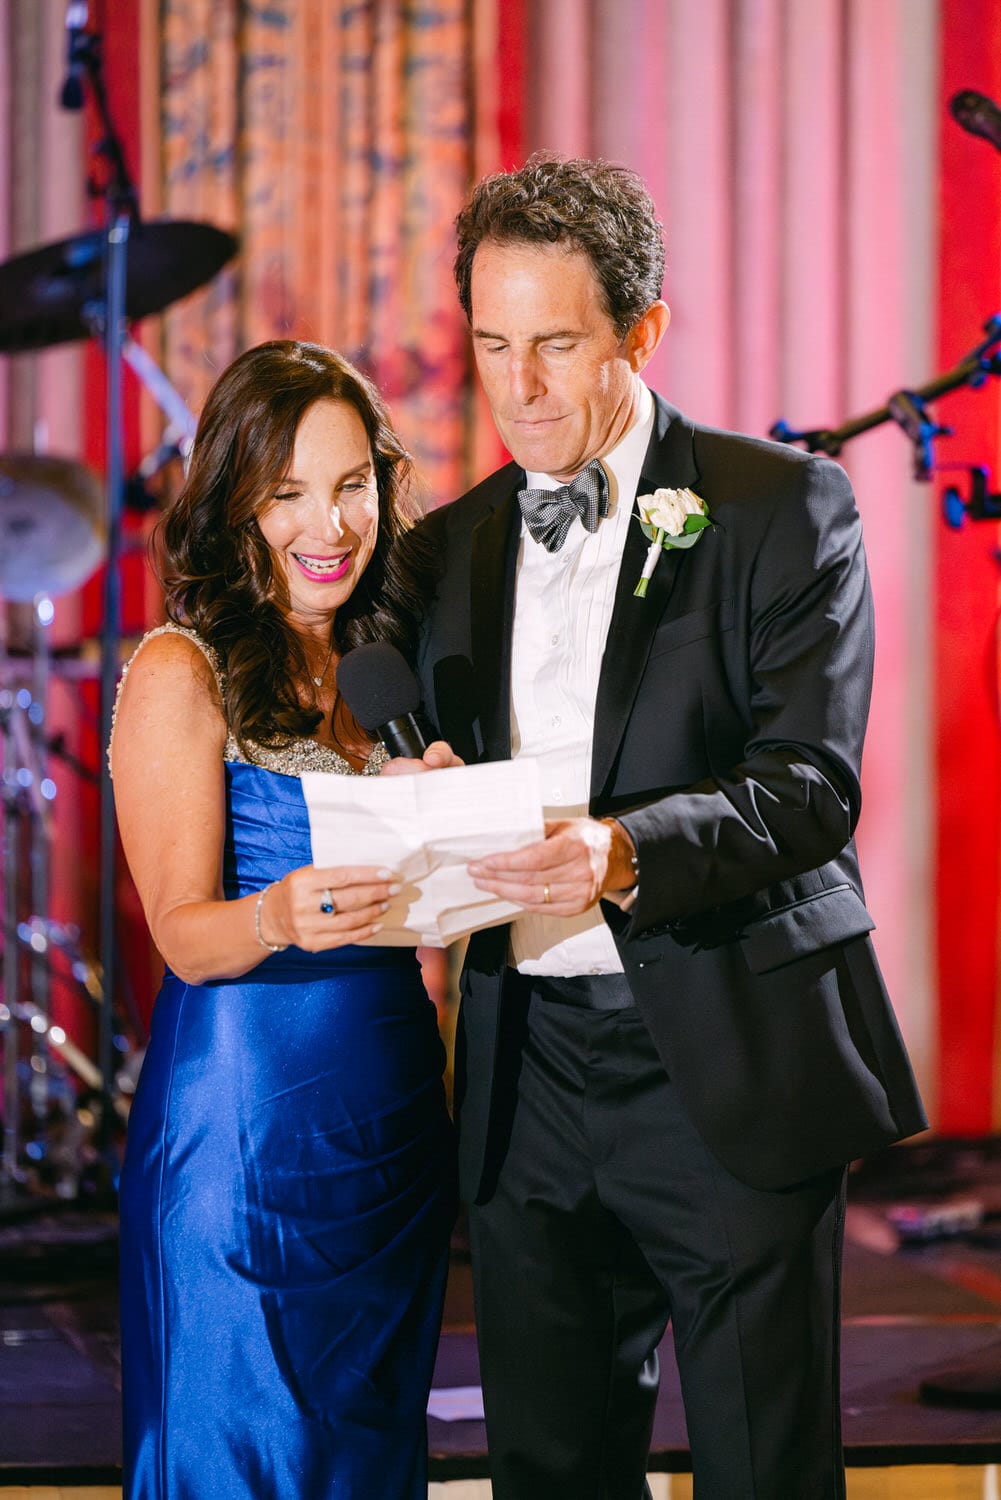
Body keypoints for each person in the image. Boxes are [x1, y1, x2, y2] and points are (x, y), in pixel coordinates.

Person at [409, 156, 928, 1499]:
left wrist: (623, 852)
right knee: (550, 1470)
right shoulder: (446, 547)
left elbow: (809, 783)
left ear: (644, 332)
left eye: (558, 346)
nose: (517, 388)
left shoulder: (779, 507)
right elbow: (374, 721)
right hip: (525, 1082)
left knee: (761, 1469)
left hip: (724, 1052)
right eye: (491, 345)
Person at [110, 340, 457, 1499]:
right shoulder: (179, 668)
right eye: (289, 493)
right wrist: (275, 912)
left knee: (367, 1457)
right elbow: (180, 933)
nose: (331, 522)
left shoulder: (384, 666)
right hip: (242, 1140)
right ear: (235, 505)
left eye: (352, 483)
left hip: (393, 1129)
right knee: (245, 1454)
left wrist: (452, 833)